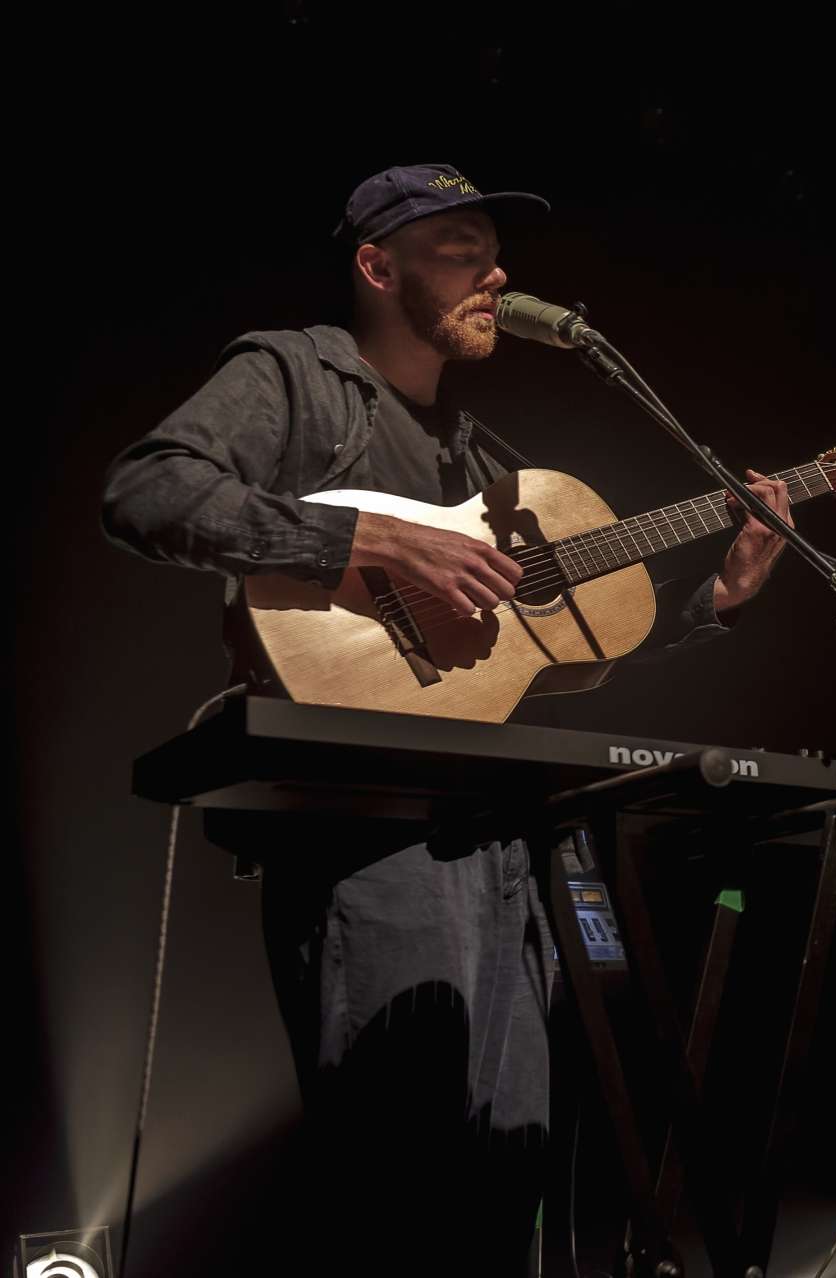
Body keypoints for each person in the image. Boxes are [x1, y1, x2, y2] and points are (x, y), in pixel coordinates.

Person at [100, 164, 792, 1274]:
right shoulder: (295, 373)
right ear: (379, 267)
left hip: (501, 837)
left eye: (494, 252)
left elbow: (566, 644)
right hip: (368, 836)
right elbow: (147, 492)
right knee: (399, 1183)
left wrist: (717, 596)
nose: (496, 273)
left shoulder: (481, 459)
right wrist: (369, 543)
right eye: (460, 249)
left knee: (504, 1176)